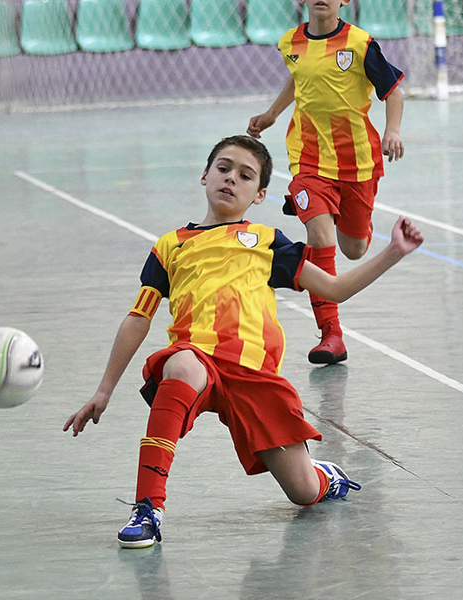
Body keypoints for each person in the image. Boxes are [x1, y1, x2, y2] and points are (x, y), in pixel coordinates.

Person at [63, 135, 422, 549]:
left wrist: (394, 251)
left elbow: (335, 289)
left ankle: (324, 476)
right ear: (204, 175)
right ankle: (148, 508)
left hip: (253, 374)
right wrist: (104, 389)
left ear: (260, 194)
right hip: (197, 358)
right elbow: (137, 318)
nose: (232, 178)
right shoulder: (171, 246)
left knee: (303, 492)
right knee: (180, 365)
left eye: (245, 175)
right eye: (224, 168)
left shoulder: (268, 241)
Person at [247, 0, 405, 364]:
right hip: (309, 158)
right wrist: (272, 114)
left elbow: (393, 90)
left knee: (354, 250)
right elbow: (299, 77)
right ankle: (331, 335)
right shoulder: (290, 43)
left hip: (358, 163)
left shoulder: (359, 43)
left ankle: (331, 211)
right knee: (320, 239)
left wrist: (392, 129)